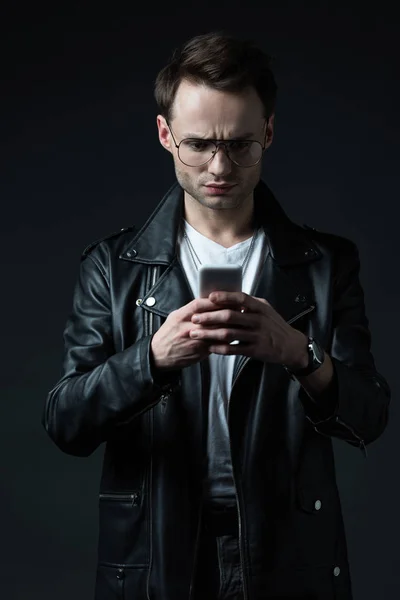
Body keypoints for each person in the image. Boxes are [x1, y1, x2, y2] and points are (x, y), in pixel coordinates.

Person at [42, 31, 391, 600]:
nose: (219, 166)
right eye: (199, 144)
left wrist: (300, 354)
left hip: (287, 550)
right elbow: (65, 422)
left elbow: (370, 415)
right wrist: (151, 360)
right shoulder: (114, 266)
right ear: (165, 135)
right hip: (157, 551)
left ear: (269, 133)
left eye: (241, 145)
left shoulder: (326, 265)